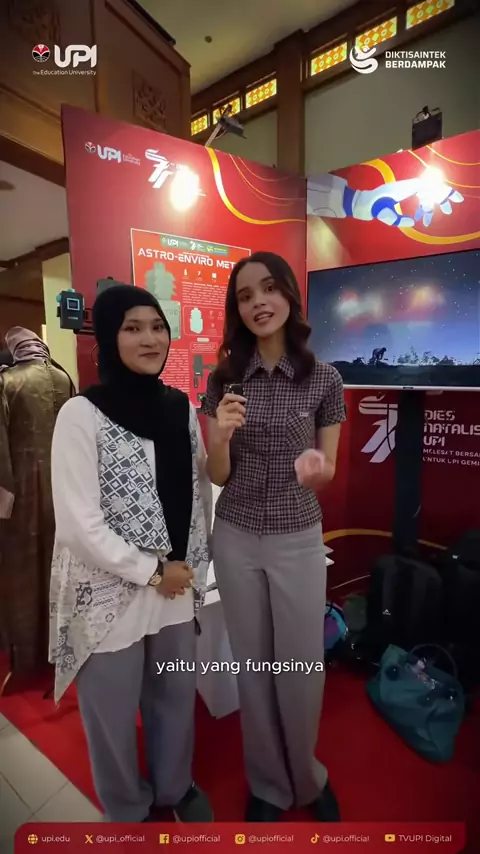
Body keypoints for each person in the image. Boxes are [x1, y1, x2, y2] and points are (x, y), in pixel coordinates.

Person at [48, 285, 213, 823]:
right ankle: (126, 805)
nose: (149, 339)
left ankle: (174, 785)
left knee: (175, 696)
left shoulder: (180, 408)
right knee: (112, 712)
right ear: (107, 337)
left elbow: (198, 491)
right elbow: (78, 525)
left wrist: (190, 566)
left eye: (157, 327)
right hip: (108, 593)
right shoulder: (81, 413)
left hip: (175, 585)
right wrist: (151, 571)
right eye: (132, 328)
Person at [203, 252, 346, 823]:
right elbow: (218, 475)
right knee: (253, 665)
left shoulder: (324, 378)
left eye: (268, 289)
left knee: (302, 667)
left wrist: (316, 469)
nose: (258, 302)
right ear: (237, 310)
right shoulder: (223, 380)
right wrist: (219, 438)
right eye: (245, 296)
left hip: (297, 538)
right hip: (235, 536)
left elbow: (328, 468)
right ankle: (266, 783)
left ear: (288, 294)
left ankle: (307, 777)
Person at [0, 327, 73, 676]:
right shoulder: (64, 378)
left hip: (22, 493)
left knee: (23, 570)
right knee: (60, 566)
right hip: (64, 491)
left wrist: (4, 500)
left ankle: (27, 658)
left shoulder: (8, 382)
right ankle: (61, 647)